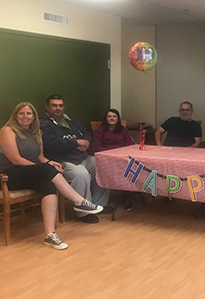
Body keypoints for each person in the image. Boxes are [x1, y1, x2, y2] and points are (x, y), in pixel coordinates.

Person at [0, 102, 103, 249]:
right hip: (9, 175)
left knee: (48, 185)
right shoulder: (7, 131)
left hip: (30, 172)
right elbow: (15, 159)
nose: (25, 116)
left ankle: (50, 235)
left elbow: (40, 157)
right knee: (47, 170)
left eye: (29, 113)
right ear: (15, 115)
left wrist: (50, 162)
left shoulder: (36, 133)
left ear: (33, 116)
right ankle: (80, 202)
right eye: (21, 113)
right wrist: (44, 167)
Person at [40, 94, 110, 223]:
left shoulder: (70, 120)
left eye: (60, 105)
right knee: (81, 175)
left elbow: (86, 134)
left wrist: (86, 142)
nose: (58, 108)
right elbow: (51, 144)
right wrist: (77, 142)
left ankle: (98, 203)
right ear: (47, 107)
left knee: (104, 166)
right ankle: (84, 212)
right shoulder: (43, 124)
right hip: (62, 160)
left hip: (81, 156)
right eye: (54, 105)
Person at [93, 109, 136, 211]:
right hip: (106, 158)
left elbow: (131, 144)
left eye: (114, 116)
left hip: (121, 157)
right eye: (109, 116)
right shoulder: (100, 130)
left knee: (130, 168)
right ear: (106, 119)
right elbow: (96, 147)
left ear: (118, 119)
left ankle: (126, 195)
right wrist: (111, 152)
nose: (111, 118)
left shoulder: (123, 130)